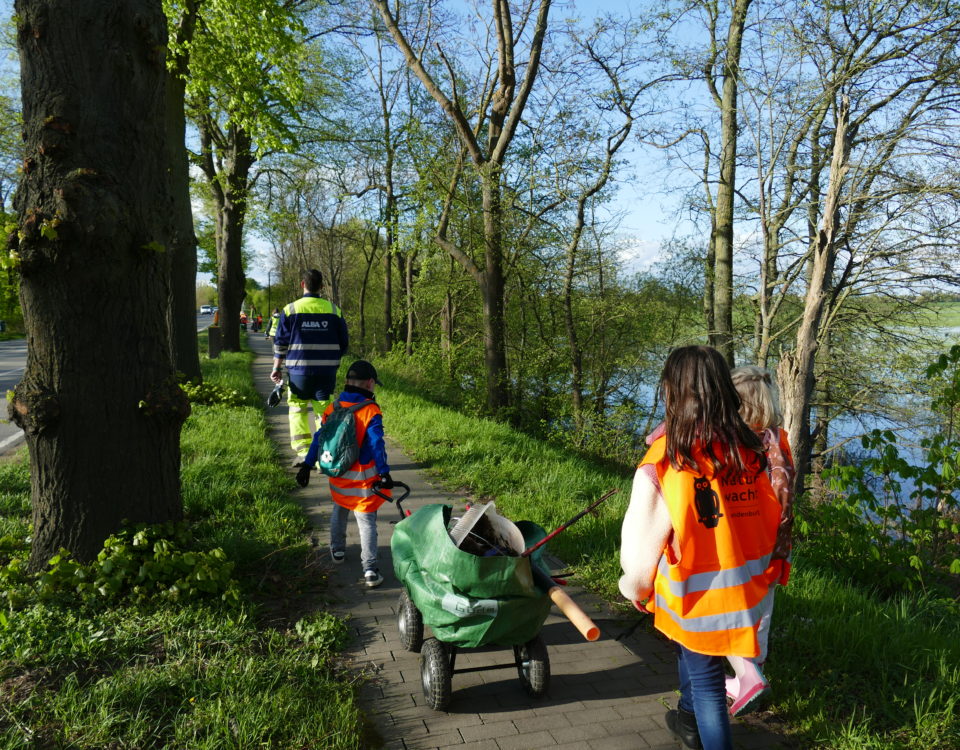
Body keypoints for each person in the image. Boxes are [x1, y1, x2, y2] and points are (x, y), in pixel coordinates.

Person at [619, 346, 783, 750]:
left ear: (672, 391)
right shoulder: (754, 450)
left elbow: (640, 555)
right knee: (701, 675)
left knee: (708, 686)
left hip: (694, 599)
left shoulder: (667, 459)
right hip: (748, 593)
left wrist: (635, 590)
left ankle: (698, 730)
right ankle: (687, 722)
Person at [724, 365, 795, 717]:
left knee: (723, 613)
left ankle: (745, 675)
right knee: (759, 616)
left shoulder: (727, 443)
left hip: (735, 545)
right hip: (772, 546)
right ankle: (750, 677)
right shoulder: (778, 440)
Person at [296, 359, 393, 588]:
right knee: (366, 522)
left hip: (338, 477)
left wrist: (307, 464)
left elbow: (320, 437)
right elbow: (377, 444)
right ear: (370, 383)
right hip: (362, 481)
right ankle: (370, 569)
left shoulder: (334, 406)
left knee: (339, 510)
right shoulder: (370, 411)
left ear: (348, 382)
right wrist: (385, 473)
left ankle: (337, 550)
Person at [271, 270, 349, 459]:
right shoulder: (333, 310)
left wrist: (276, 368)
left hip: (299, 372)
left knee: (298, 409)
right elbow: (344, 343)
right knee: (324, 411)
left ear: (302, 284)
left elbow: (280, 343)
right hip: (326, 373)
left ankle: (304, 452)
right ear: (322, 287)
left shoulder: (290, 310)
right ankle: (323, 454)